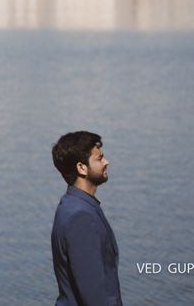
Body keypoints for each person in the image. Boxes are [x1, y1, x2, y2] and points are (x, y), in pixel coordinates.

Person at [50, 131, 121, 306]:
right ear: (82, 168)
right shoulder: (80, 217)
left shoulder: (71, 205)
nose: (106, 162)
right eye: (99, 159)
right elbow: (94, 294)